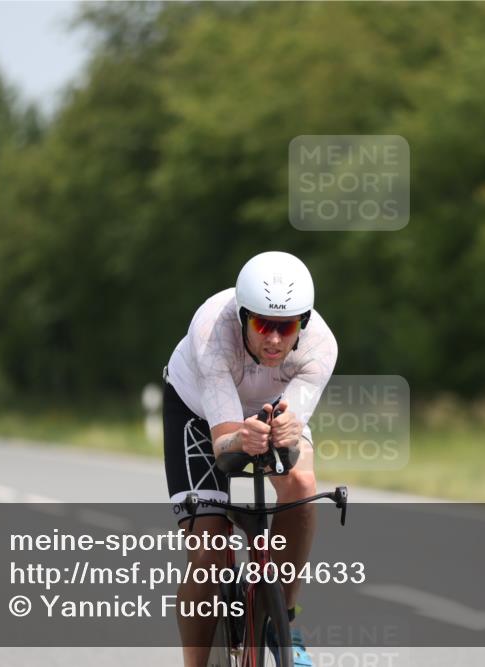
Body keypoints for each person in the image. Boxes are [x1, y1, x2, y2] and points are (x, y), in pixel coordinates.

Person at [163, 251, 337, 667]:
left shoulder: (321, 347)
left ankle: (283, 622)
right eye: (262, 324)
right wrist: (241, 436)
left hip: (269, 409)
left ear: (304, 324)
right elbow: (224, 446)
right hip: (199, 411)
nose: (274, 340)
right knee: (207, 550)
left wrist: (285, 431)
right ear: (242, 316)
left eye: (286, 327)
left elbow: (290, 429)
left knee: (301, 485)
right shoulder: (211, 332)